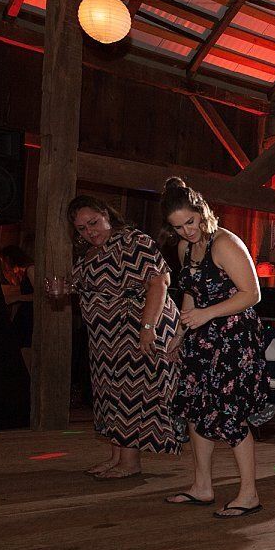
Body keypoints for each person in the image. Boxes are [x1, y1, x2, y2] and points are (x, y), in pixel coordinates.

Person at [160, 177, 274, 518]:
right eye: (178, 227)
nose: (187, 231)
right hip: (202, 338)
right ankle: (202, 486)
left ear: (202, 211)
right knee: (196, 409)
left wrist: (206, 314)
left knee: (231, 413)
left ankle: (249, 494)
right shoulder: (185, 248)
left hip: (234, 339)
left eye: (190, 222)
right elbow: (191, 293)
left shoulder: (225, 243)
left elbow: (252, 294)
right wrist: (181, 331)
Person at [62, 196, 181, 477]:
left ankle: (130, 462)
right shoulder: (90, 252)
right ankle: (116, 457)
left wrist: (147, 327)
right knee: (110, 393)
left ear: (106, 214)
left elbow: (159, 282)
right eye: (81, 228)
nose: (89, 231)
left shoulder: (132, 240)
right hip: (105, 337)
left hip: (135, 327)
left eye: (93, 222)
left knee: (132, 392)